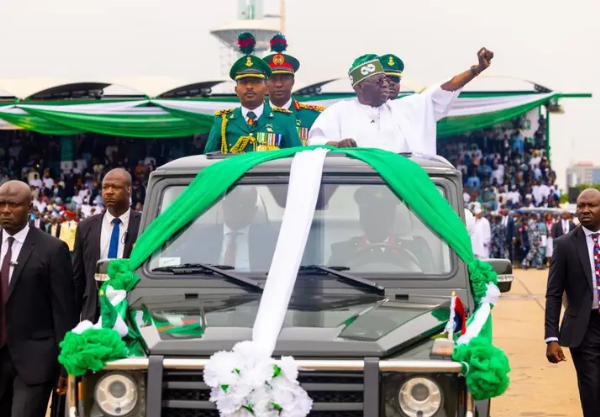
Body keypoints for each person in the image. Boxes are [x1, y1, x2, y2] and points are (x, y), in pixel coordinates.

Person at [308, 47, 494, 155]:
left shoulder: (406, 108)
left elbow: (445, 88)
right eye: (380, 81)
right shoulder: (339, 112)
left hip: (402, 195)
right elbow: (314, 143)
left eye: (387, 80)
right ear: (360, 87)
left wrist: (476, 69)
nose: (386, 85)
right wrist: (338, 145)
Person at [0, 180, 78, 417]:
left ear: (30, 208)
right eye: (1, 204)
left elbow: (64, 311)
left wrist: (66, 365)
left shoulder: (53, 249)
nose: (5, 210)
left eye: (13, 204)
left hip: (34, 362)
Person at [545, 188, 600, 416]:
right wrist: (551, 337)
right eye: (580, 206)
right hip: (584, 328)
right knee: (592, 390)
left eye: (591, 206)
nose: (585, 210)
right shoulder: (565, 245)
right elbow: (554, 293)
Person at [204, 32, 302, 154]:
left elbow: (296, 158)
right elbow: (208, 159)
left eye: (255, 82)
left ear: (266, 88)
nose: (249, 87)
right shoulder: (224, 121)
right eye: (244, 82)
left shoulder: (284, 120)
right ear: (236, 90)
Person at [73, 169, 141, 322]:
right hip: (94, 312)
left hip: (131, 310)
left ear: (129, 190)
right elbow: (78, 276)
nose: (109, 192)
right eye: (105, 187)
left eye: (115, 187)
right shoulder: (85, 227)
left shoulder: (144, 225)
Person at [328, 186, 425, 272]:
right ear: (362, 217)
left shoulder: (415, 249)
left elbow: (429, 285)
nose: (378, 219)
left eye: (384, 213)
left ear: (392, 218)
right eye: (371, 213)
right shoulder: (342, 252)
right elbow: (330, 284)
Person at [263, 33, 324, 145]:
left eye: (284, 79)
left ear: (293, 82)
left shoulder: (312, 116)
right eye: (273, 79)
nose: (279, 84)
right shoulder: (257, 116)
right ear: (266, 83)